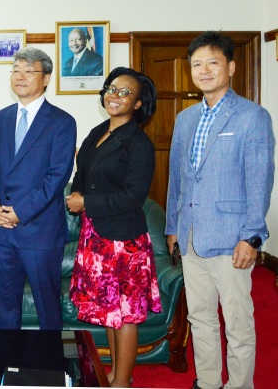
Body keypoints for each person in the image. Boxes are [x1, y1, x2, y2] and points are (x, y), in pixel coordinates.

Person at [165, 31, 275, 389]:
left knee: (238, 322)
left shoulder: (252, 116)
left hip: (231, 239)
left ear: (230, 66)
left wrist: (252, 237)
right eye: (197, 64)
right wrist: (172, 228)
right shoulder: (185, 119)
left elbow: (260, 180)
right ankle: (208, 382)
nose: (205, 70)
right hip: (191, 236)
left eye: (213, 62)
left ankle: (240, 385)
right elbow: (177, 181)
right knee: (200, 317)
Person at [66, 67, 162, 388]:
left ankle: (122, 382)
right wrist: (75, 194)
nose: (114, 95)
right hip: (95, 237)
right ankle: (117, 375)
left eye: (124, 92)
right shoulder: (97, 132)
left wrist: (86, 203)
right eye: (111, 88)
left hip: (124, 242)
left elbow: (133, 197)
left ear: (138, 104)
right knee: (110, 311)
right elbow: (84, 175)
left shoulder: (139, 144)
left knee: (125, 313)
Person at [0, 47, 77, 330]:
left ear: (46, 78)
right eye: (16, 70)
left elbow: (57, 176)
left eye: (29, 71)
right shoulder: (0, 117)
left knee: (47, 308)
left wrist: (20, 212)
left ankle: (50, 368)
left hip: (40, 231)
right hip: (3, 231)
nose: (20, 76)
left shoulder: (62, 122)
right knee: (5, 306)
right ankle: (6, 367)